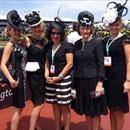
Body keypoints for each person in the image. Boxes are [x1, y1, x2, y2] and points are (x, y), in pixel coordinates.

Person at [71, 11, 108, 130]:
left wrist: (100, 83)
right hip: (80, 82)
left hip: (94, 82)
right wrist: (73, 84)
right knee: (86, 109)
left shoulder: (97, 43)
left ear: (91, 29)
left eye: (87, 28)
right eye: (83, 28)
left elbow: (101, 64)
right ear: (79, 29)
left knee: (95, 111)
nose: (85, 31)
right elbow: (75, 65)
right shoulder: (76, 44)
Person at [102, 1, 130, 130]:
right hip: (108, 79)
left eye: (116, 25)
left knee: (118, 111)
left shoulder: (125, 39)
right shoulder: (106, 40)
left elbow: (129, 61)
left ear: (121, 25)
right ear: (108, 26)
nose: (114, 27)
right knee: (112, 109)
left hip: (119, 79)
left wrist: (128, 81)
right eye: (111, 25)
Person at [45, 17, 74, 130]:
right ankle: (57, 128)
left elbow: (70, 64)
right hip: (51, 80)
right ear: (50, 33)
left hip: (63, 80)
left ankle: (66, 128)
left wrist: (59, 77)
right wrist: (46, 75)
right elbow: (47, 62)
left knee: (64, 107)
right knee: (55, 106)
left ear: (62, 34)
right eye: (53, 33)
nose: (55, 35)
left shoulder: (67, 46)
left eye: (58, 33)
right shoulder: (48, 46)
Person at [1, 10, 26, 130]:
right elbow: (2, 65)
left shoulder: (19, 43)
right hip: (16, 77)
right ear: (10, 30)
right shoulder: (10, 45)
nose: (17, 32)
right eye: (14, 29)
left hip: (22, 77)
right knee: (17, 106)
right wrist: (11, 80)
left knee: (20, 106)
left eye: (19, 30)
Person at [24, 11, 47, 130]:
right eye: (34, 27)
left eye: (38, 26)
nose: (37, 29)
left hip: (43, 74)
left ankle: (38, 127)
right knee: (39, 104)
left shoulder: (45, 40)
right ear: (31, 28)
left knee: (37, 103)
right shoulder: (27, 40)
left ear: (41, 26)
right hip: (33, 76)